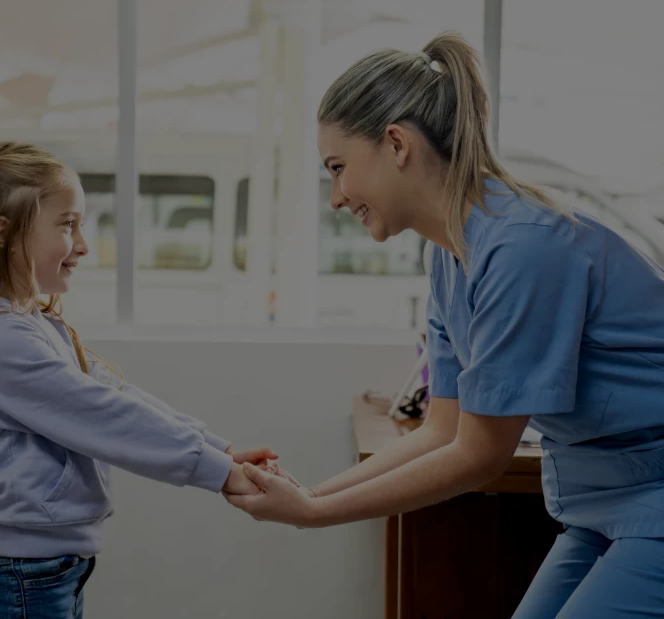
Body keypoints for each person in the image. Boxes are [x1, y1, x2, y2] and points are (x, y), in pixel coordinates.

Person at [224, 31, 664, 616]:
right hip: (601, 500)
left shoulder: (523, 247)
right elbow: (442, 431)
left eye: (338, 167)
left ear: (397, 143)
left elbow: (481, 456)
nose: (336, 197)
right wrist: (309, 494)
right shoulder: (450, 258)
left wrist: (316, 514)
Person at [0, 142, 275, 619]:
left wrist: (219, 450)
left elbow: (115, 395)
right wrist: (218, 472)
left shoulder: (29, 326)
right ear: (3, 233)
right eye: (67, 224)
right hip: (22, 577)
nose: (83, 244)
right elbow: (105, 416)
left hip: (43, 571)